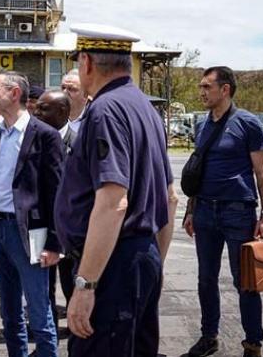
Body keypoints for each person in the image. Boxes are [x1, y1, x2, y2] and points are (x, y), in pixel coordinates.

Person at [54, 24, 178, 356]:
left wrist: (86, 284)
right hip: (140, 256)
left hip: (112, 266)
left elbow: (113, 202)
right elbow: (170, 198)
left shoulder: (105, 110)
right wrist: (154, 266)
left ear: (87, 63)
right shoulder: (145, 108)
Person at [182, 66, 263, 357]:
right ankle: (209, 336)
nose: (202, 92)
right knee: (206, 278)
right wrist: (190, 210)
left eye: (207, 86)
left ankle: (252, 343)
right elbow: (197, 171)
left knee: (245, 280)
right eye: (201, 86)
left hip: (238, 212)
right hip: (205, 210)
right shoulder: (201, 125)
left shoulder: (248, 123)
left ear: (225, 89)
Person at [0, 71, 64, 357]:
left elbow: (57, 194)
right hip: (1, 230)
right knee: (9, 313)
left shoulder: (45, 136)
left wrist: (55, 243)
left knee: (39, 312)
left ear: (15, 93)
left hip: (32, 232)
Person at [34, 89, 78, 335]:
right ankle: (45, 337)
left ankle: (77, 333)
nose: (37, 113)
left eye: (43, 108)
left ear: (62, 111)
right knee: (42, 287)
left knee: (72, 283)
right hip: (40, 225)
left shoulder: (79, 141)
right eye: (37, 108)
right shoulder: (33, 139)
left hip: (70, 228)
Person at [61, 68, 87, 133]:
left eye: (71, 89)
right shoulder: (51, 119)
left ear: (85, 95)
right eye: (63, 88)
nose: (65, 92)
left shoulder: (95, 120)